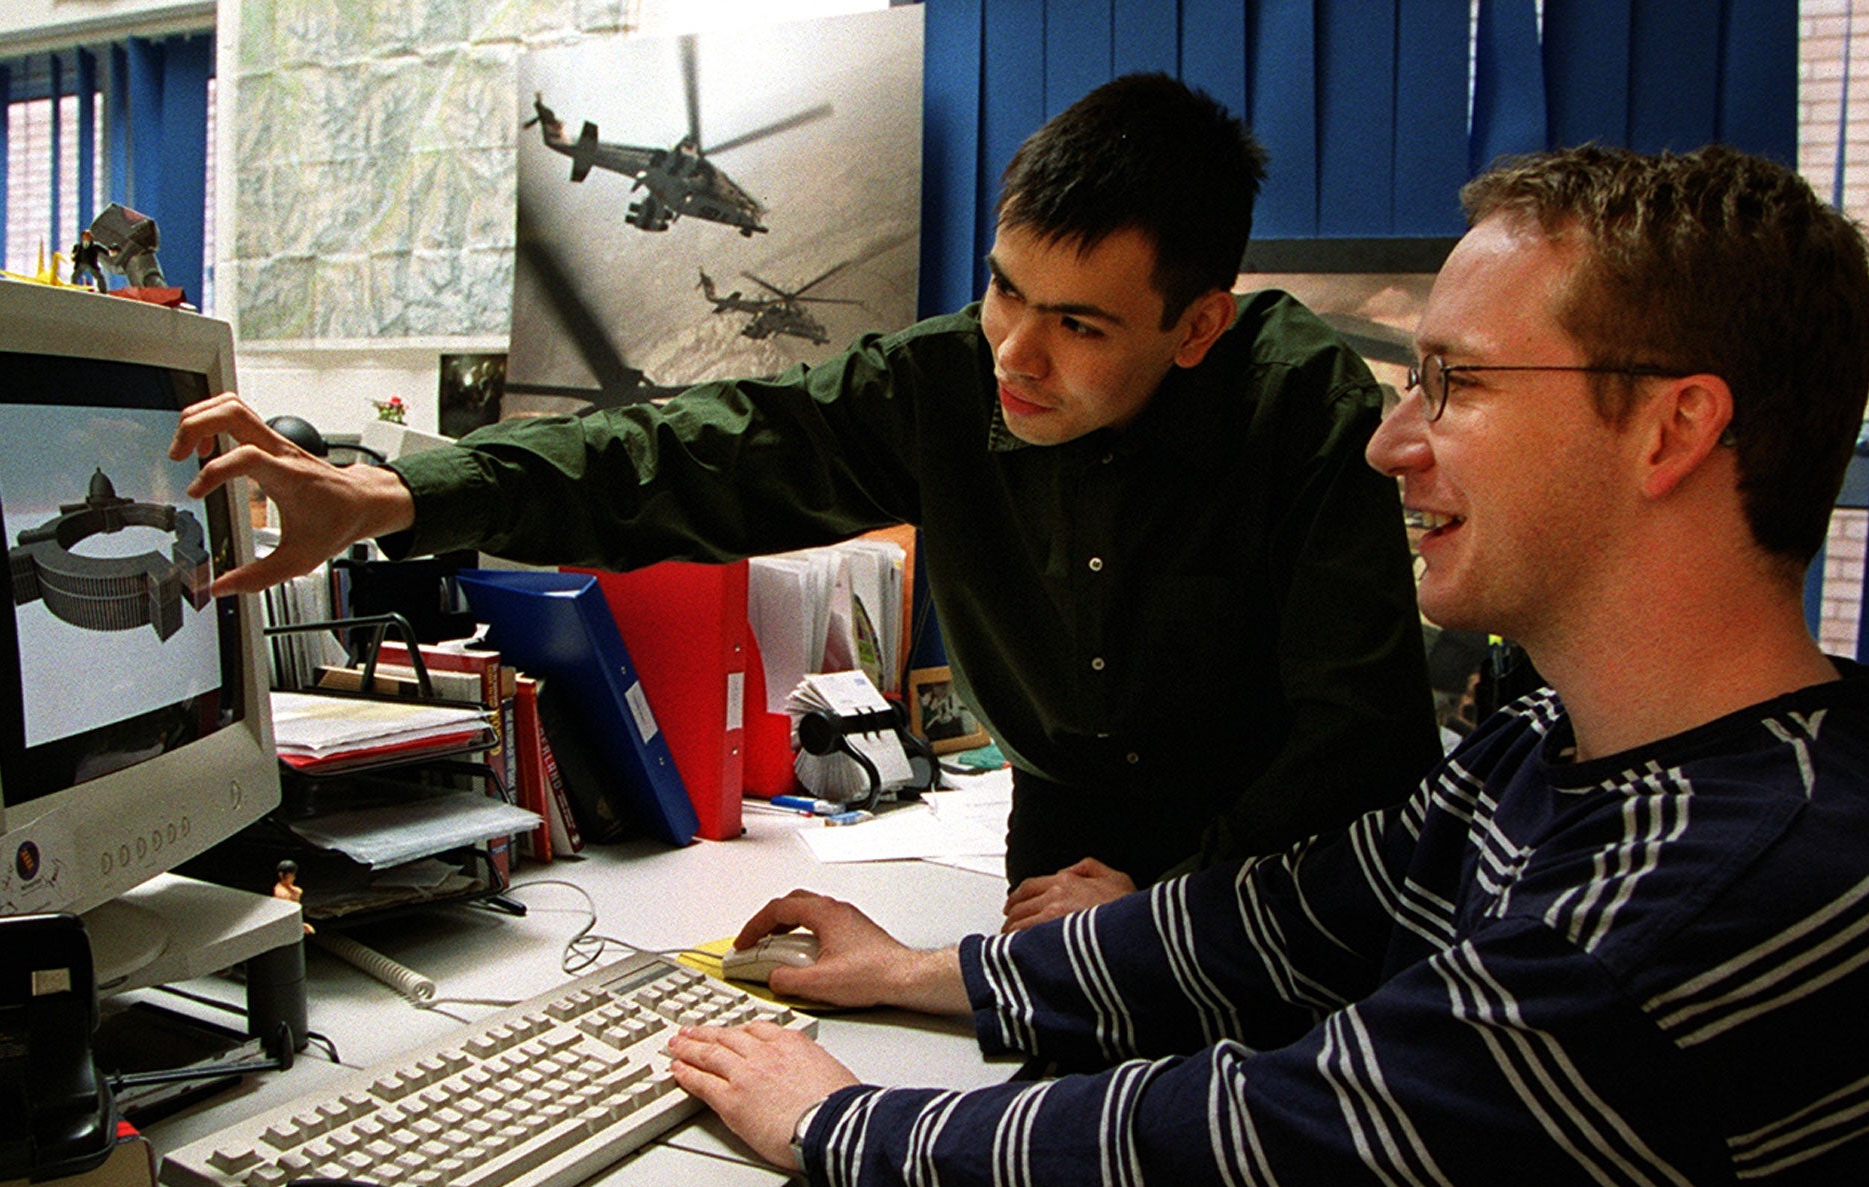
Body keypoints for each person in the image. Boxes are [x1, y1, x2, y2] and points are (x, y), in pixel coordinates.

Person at [662, 142, 1869, 1187]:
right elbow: (1301, 911)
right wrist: (927, 975)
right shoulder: (1580, 750)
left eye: (1462, 383)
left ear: (1673, 429)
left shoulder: (1706, 911)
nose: (1392, 438)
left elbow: (1244, 1168)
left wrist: (832, 1123)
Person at [174, 74, 1438, 932]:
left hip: (1271, 862)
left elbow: (1359, 737)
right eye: (1003, 291)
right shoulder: (941, 383)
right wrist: (396, 493)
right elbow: (683, 458)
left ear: (1199, 326)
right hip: (1059, 841)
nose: (1015, 355)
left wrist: (1175, 895)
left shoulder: (1298, 407)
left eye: (1080, 323)